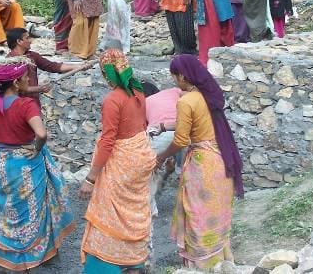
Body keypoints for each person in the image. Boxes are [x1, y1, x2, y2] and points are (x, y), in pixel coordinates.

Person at [0, 62, 75, 272]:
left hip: (3, 162)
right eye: (24, 77)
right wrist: (36, 149)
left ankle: (4, 252)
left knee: (7, 207)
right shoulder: (25, 105)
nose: (27, 80)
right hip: (26, 163)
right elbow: (41, 134)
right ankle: (32, 254)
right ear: (15, 82)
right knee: (33, 209)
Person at [156, 55, 244, 269]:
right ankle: (223, 263)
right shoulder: (208, 95)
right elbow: (198, 122)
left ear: (183, 76)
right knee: (216, 213)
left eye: (175, 77)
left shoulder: (186, 101)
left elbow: (181, 140)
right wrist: (165, 126)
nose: (175, 81)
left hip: (202, 167)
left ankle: (202, 267)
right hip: (220, 159)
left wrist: (161, 156)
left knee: (199, 216)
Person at [79, 49, 156, 273]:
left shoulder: (113, 100)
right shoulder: (138, 92)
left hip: (121, 161)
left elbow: (108, 141)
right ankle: (133, 262)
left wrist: (91, 179)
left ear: (107, 73)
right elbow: (141, 125)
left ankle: (107, 265)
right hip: (140, 157)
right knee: (132, 209)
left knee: (109, 211)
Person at [6, 27, 91, 106]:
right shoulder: (9, 62)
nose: (30, 41)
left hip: (33, 103)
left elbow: (53, 66)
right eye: (27, 38)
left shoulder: (32, 56)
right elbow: (17, 88)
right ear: (19, 41)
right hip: (16, 105)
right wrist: (39, 89)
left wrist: (78, 67)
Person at [143, 83, 183, 217]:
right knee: (187, 170)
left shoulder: (145, 103)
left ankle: (150, 209)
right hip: (185, 130)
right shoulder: (174, 91)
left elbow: (145, 129)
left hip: (161, 132)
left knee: (151, 170)